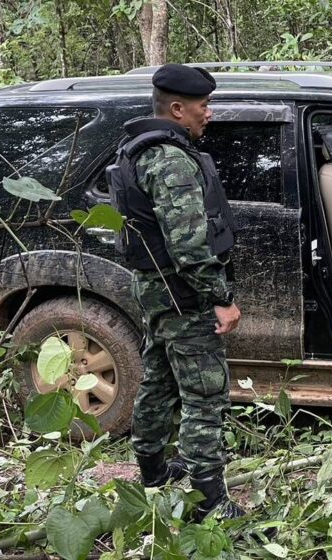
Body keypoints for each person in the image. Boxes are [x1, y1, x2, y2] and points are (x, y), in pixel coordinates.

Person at [107, 63, 244, 521]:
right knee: (205, 395)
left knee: (159, 382)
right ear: (178, 108)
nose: (209, 114)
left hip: (156, 293)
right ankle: (211, 503)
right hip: (184, 297)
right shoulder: (169, 160)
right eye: (204, 107)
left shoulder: (137, 152)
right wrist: (221, 297)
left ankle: (153, 473)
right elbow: (189, 245)